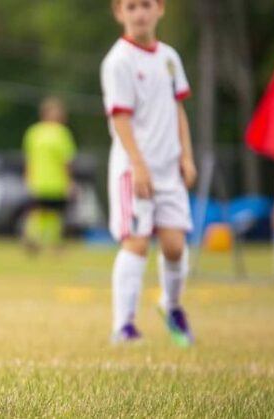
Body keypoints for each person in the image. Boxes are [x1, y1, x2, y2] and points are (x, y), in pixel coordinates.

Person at [101, 0, 196, 346]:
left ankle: (171, 306)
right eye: (131, 6)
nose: (139, 12)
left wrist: (187, 156)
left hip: (169, 168)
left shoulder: (169, 57)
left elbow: (178, 109)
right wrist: (139, 165)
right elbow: (120, 118)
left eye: (146, 5)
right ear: (118, 13)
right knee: (137, 242)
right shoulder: (118, 61)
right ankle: (123, 326)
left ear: (160, 9)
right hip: (133, 169)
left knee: (174, 245)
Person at [22, 97, 76, 255]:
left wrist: (27, 178)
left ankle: (37, 240)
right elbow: (67, 161)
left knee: (41, 213)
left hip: (40, 181)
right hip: (54, 181)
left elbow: (28, 159)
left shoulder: (33, 132)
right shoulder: (62, 133)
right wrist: (70, 181)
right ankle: (47, 242)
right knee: (52, 214)